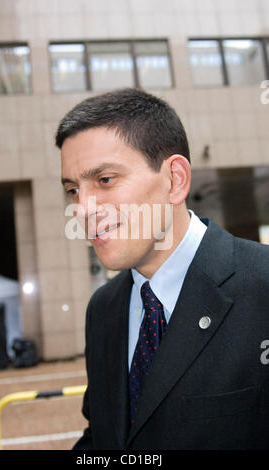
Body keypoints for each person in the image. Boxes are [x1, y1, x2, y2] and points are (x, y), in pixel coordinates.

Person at [55, 88, 269, 450]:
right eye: (73, 189)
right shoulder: (104, 308)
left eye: (105, 180)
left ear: (176, 180)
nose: (82, 208)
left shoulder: (262, 286)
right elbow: (105, 437)